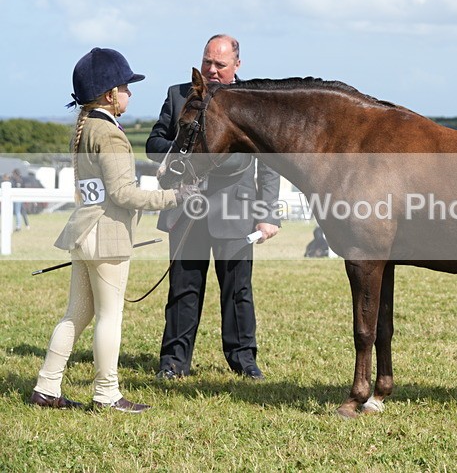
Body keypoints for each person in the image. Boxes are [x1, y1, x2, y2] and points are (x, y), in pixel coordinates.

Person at [30, 48, 196, 412]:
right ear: (109, 94)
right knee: (109, 317)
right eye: (125, 87)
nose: (129, 93)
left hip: (83, 231)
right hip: (107, 237)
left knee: (76, 314)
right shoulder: (112, 135)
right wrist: (175, 196)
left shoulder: (86, 128)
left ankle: (47, 386)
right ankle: (106, 393)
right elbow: (124, 193)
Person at [146, 34, 281, 381]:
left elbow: (268, 163)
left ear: (237, 65)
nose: (211, 69)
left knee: (237, 290)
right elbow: (153, 143)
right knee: (183, 287)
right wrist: (184, 150)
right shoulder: (179, 95)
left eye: (220, 64)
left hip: (235, 209)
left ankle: (243, 360)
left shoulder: (253, 100)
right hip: (184, 208)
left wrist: (267, 214)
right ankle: (173, 362)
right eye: (207, 61)